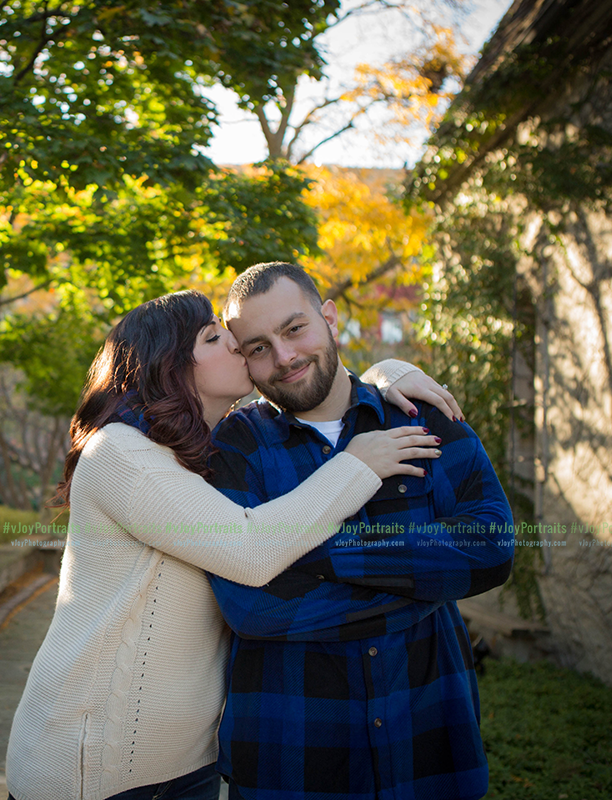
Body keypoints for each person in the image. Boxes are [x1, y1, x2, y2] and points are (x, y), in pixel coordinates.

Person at [4, 289, 461, 800]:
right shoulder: (121, 454)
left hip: (186, 762)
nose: (242, 350)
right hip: (94, 763)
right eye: (216, 338)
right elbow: (248, 548)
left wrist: (386, 375)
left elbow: (321, 388)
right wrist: (358, 464)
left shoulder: (200, 452)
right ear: (171, 362)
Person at [206, 262, 515, 800]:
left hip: (429, 740)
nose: (284, 357)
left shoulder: (423, 417)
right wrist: (425, 592)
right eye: (258, 347)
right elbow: (252, 608)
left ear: (329, 317)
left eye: (295, 328)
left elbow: (490, 549)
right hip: (293, 755)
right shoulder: (236, 448)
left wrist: (312, 552)